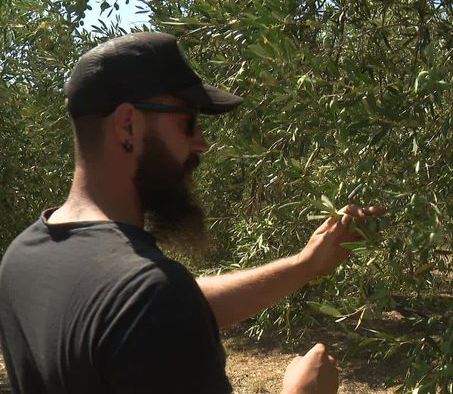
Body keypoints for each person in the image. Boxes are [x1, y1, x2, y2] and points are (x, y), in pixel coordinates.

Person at [0, 32, 384, 393]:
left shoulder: (23, 257)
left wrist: (305, 264)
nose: (200, 143)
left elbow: (150, 314)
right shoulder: (150, 294)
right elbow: (156, 308)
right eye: (188, 123)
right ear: (127, 125)